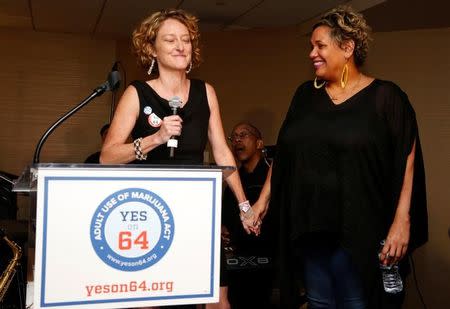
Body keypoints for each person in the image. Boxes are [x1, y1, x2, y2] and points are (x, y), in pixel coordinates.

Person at [252, 6, 428, 309]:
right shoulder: (305, 95)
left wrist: (402, 220)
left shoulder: (386, 97)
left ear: (347, 47)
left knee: (357, 303)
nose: (312, 54)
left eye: (320, 46)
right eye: (311, 46)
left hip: (362, 229)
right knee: (320, 303)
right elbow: (285, 153)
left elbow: (407, 160)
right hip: (311, 228)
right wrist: (261, 202)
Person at [100, 9, 257, 309]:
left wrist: (243, 203)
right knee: (151, 300)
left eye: (186, 39)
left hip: (197, 211)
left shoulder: (205, 92)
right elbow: (107, 156)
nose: (180, 46)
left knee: (217, 300)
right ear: (151, 49)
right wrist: (154, 139)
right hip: (150, 214)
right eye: (170, 39)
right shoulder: (137, 93)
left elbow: (222, 152)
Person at [221, 122, 276, 309]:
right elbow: (225, 221)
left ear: (260, 143)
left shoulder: (272, 175)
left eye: (243, 135)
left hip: (271, 261)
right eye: (233, 137)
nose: (236, 140)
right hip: (239, 263)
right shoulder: (232, 186)